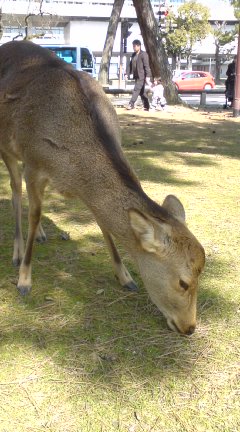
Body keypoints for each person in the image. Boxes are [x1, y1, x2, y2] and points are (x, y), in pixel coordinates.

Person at [125, 39, 152, 111]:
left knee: (136, 89)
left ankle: (131, 104)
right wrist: (126, 74)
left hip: (142, 76)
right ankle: (147, 106)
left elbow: (147, 66)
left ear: (139, 46)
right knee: (142, 92)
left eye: (135, 46)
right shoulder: (133, 55)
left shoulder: (144, 54)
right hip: (136, 76)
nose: (133, 48)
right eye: (133, 46)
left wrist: (148, 76)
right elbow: (130, 65)